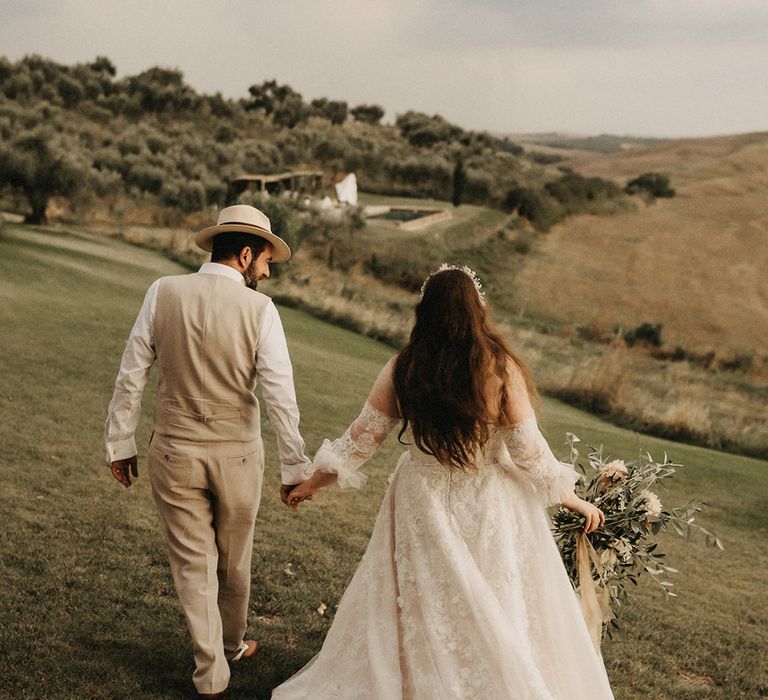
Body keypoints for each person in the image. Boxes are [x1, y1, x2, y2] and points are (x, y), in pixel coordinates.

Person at [273, 265, 614, 699]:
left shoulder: (405, 366)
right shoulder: (499, 369)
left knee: (427, 598)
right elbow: (530, 453)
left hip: (422, 498)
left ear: (425, 311)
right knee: (495, 597)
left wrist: (311, 483)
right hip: (490, 499)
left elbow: (361, 439)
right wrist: (574, 501)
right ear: (478, 310)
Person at [105, 205, 313, 699]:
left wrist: (120, 442)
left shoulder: (162, 292)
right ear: (244, 255)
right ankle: (232, 646)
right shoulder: (261, 311)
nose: (266, 271)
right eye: (265, 260)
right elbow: (280, 396)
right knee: (233, 561)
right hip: (238, 457)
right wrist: (294, 467)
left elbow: (132, 373)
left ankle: (213, 670)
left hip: (173, 452)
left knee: (191, 564)